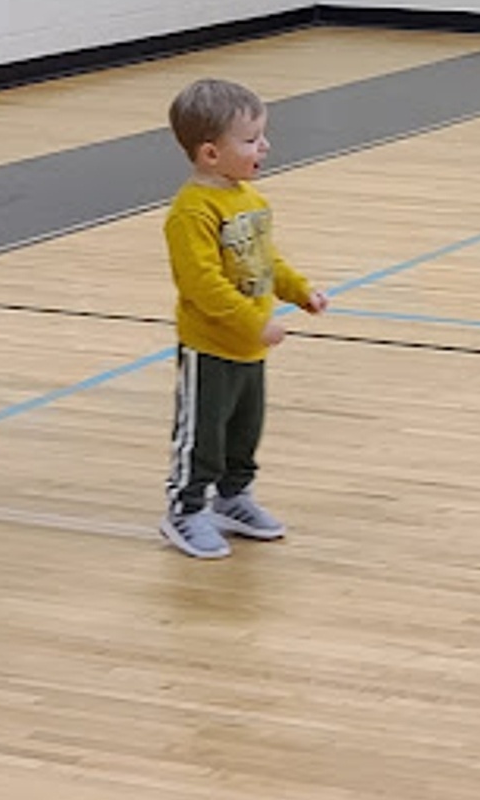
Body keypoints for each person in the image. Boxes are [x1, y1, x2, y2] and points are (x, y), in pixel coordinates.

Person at [160, 78, 328, 559]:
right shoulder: (191, 213)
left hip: (249, 347)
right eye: (252, 140)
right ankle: (186, 510)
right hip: (211, 347)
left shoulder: (249, 200)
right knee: (202, 437)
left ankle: (233, 499)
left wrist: (299, 292)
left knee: (243, 431)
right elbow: (203, 286)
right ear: (210, 153)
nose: (265, 146)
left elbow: (264, 260)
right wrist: (252, 323)